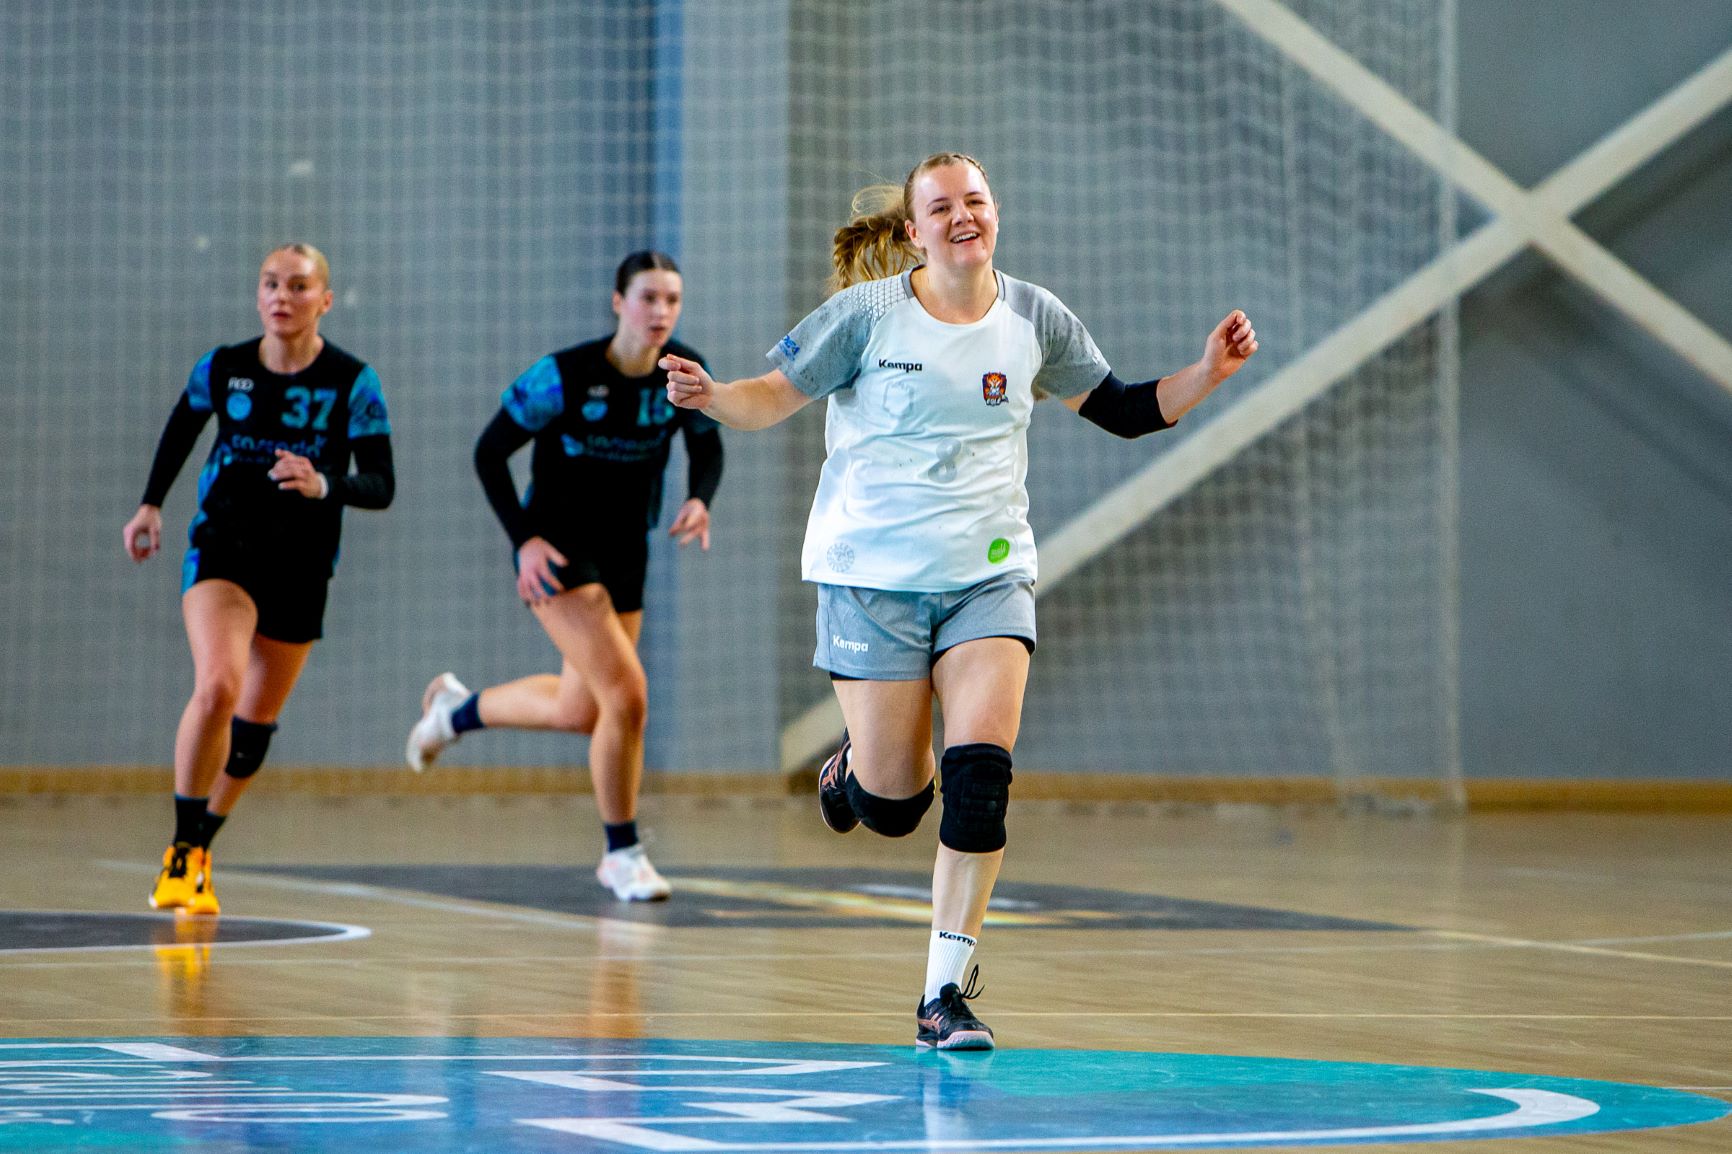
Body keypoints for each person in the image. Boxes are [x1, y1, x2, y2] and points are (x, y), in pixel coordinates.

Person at [663, 153, 1257, 1048]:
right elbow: (771, 398)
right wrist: (712, 397)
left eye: (974, 200)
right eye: (941, 207)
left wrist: (1207, 370)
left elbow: (1125, 409)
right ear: (914, 232)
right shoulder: (867, 316)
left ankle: (942, 996)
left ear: (996, 213)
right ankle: (852, 774)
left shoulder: (1034, 317)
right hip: (872, 581)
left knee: (979, 781)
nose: (961, 216)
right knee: (895, 804)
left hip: (989, 578)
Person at [407, 251, 723, 903]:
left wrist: (700, 498)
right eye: (648, 297)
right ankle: (621, 853)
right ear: (618, 302)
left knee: (583, 710)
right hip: (557, 552)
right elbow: (489, 453)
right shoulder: (564, 376)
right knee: (628, 695)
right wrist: (523, 541)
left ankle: (454, 712)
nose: (660, 311)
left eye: (671, 299)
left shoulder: (682, 371)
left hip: (626, 553)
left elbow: (706, 442)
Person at [124, 242, 395, 916]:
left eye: (298, 286)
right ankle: (182, 848)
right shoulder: (225, 367)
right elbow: (182, 428)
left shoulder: (353, 382)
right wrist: (151, 503)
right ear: (257, 294)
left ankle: (200, 846)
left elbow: (382, 483)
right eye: (271, 283)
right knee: (218, 685)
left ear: (325, 300)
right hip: (223, 550)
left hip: (301, 566)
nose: (281, 296)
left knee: (254, 727)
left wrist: (323, 482)